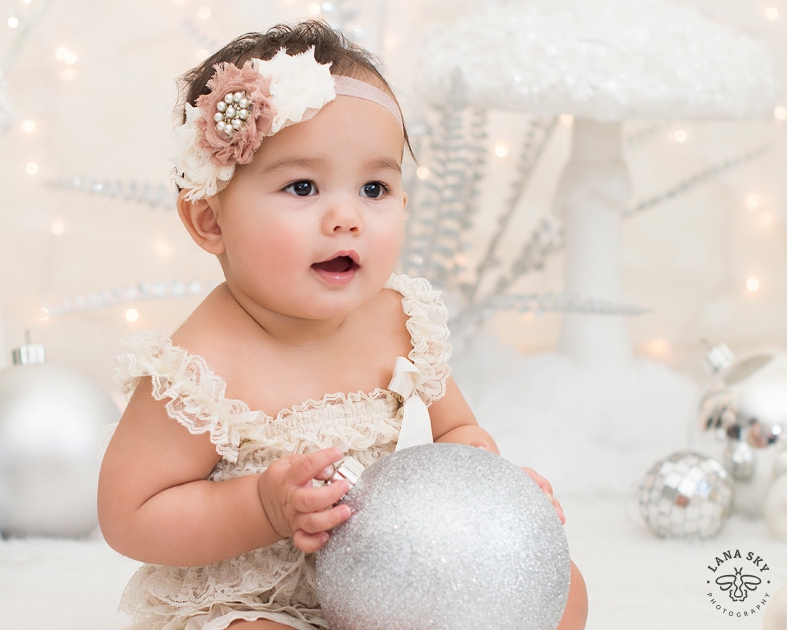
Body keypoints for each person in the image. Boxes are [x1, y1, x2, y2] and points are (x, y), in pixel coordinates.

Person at [98, 19, 588, 630]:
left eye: (374, 187)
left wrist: (489, 493)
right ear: (210, 222)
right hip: (261, 600)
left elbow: (457, 427)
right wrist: (261, 507)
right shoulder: (201, 368)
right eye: (302, 186)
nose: (346, 217)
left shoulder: (400, 322)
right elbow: (131, 514)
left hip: (397, 574)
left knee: (560, 589)